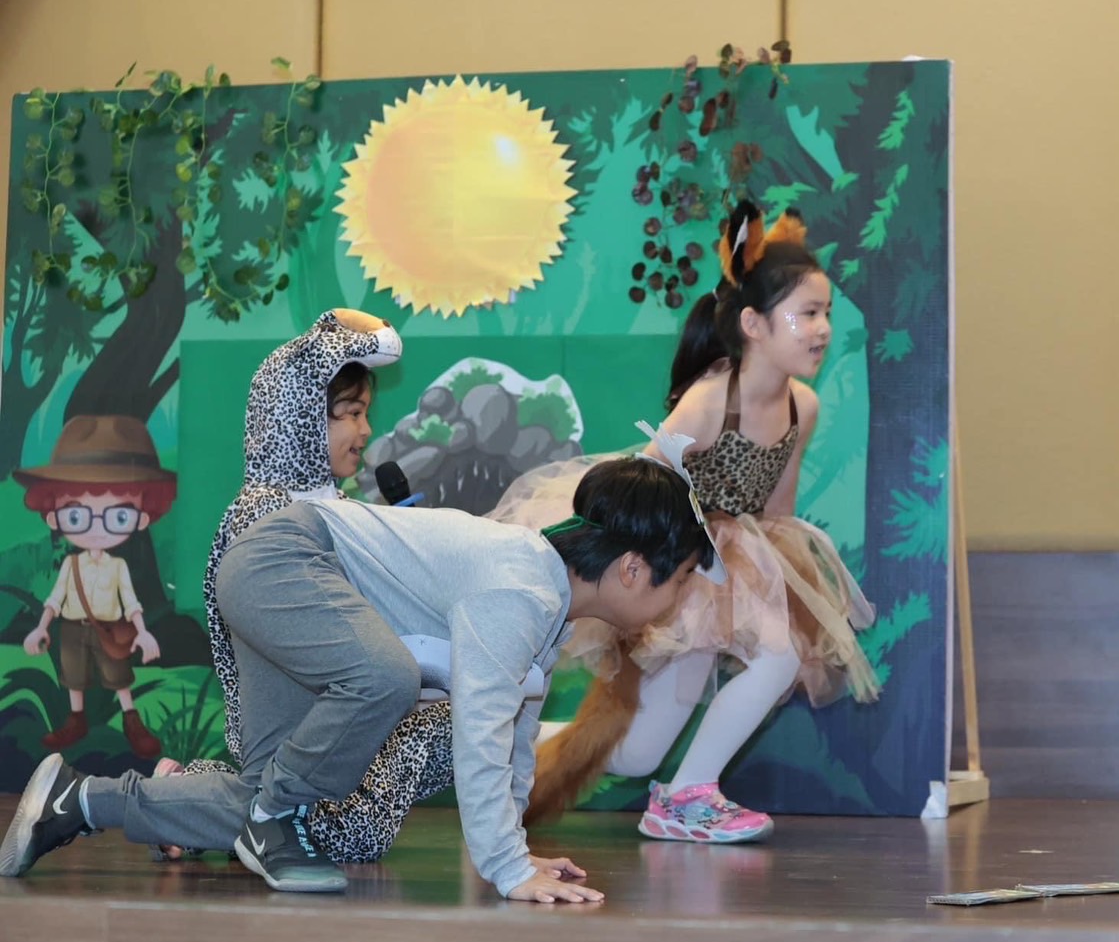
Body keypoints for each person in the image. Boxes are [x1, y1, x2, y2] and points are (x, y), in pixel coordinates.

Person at [1, 453, 719, 902]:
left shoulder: (546, 615)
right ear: (632, 569)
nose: (683, 595)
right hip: (283, 560)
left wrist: (518, 857)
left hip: (291, 587)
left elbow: (510, 748)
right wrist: (506, 871)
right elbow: (477, 732)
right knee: (384, 681)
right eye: (682, 577)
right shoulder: (521, 592)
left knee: (269, 800)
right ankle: (270, 817)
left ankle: (78, 801)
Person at [490, 199, 879, 844]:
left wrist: (770, 585)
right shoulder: (709, 401)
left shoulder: (802, 407)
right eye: (807, 313)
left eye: (827, 313)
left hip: (735, 562)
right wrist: (648, 577)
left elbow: (776, 512)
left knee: (637, 753)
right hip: (678, 558)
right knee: (774, 660)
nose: (822, 329)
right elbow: (642, 490)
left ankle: (664, 788)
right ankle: (684, 796)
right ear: (753, 324)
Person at [161, 308, 456, 866]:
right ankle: (184, 800)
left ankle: (193, 798)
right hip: (298, 741)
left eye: (366, 414)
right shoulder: (263, 514)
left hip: (339, 727)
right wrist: (354, 329)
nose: (365, 431)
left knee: (467, 717)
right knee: (353, 834)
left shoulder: (339, 509)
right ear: (297, 415)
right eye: (352, 414)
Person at [14, 416, 178, 759]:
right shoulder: (71, 565)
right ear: (54, 515)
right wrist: (40, 628)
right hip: (72, 628)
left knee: (119, 676)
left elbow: (130, 601)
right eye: (77, 516)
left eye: (119, 517)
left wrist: (143, 632)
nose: (98, 528)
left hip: (110, 628)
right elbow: (55, 599)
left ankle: (131, 720)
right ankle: (76, 720)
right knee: (73, 675)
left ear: (142, 517)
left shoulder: (118, 566)